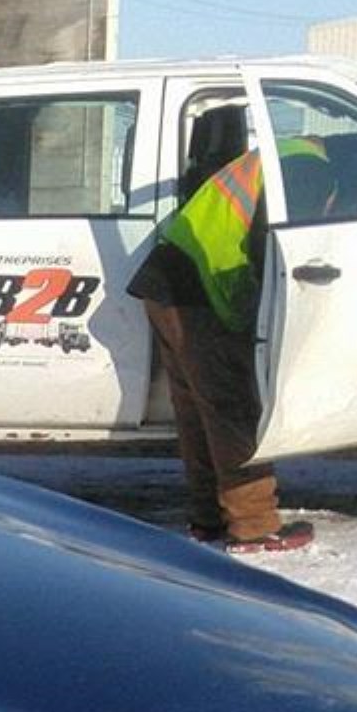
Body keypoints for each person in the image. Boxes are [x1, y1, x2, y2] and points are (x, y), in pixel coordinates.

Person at [124, 108, 314, 555]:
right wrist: (249, 326)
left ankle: (207, 520)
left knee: (197, 411)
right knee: (231, 408)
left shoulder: (273, 157)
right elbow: (268, 253)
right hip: (198, 288)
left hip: (168, 282)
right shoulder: (303, 172)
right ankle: (252, 527)